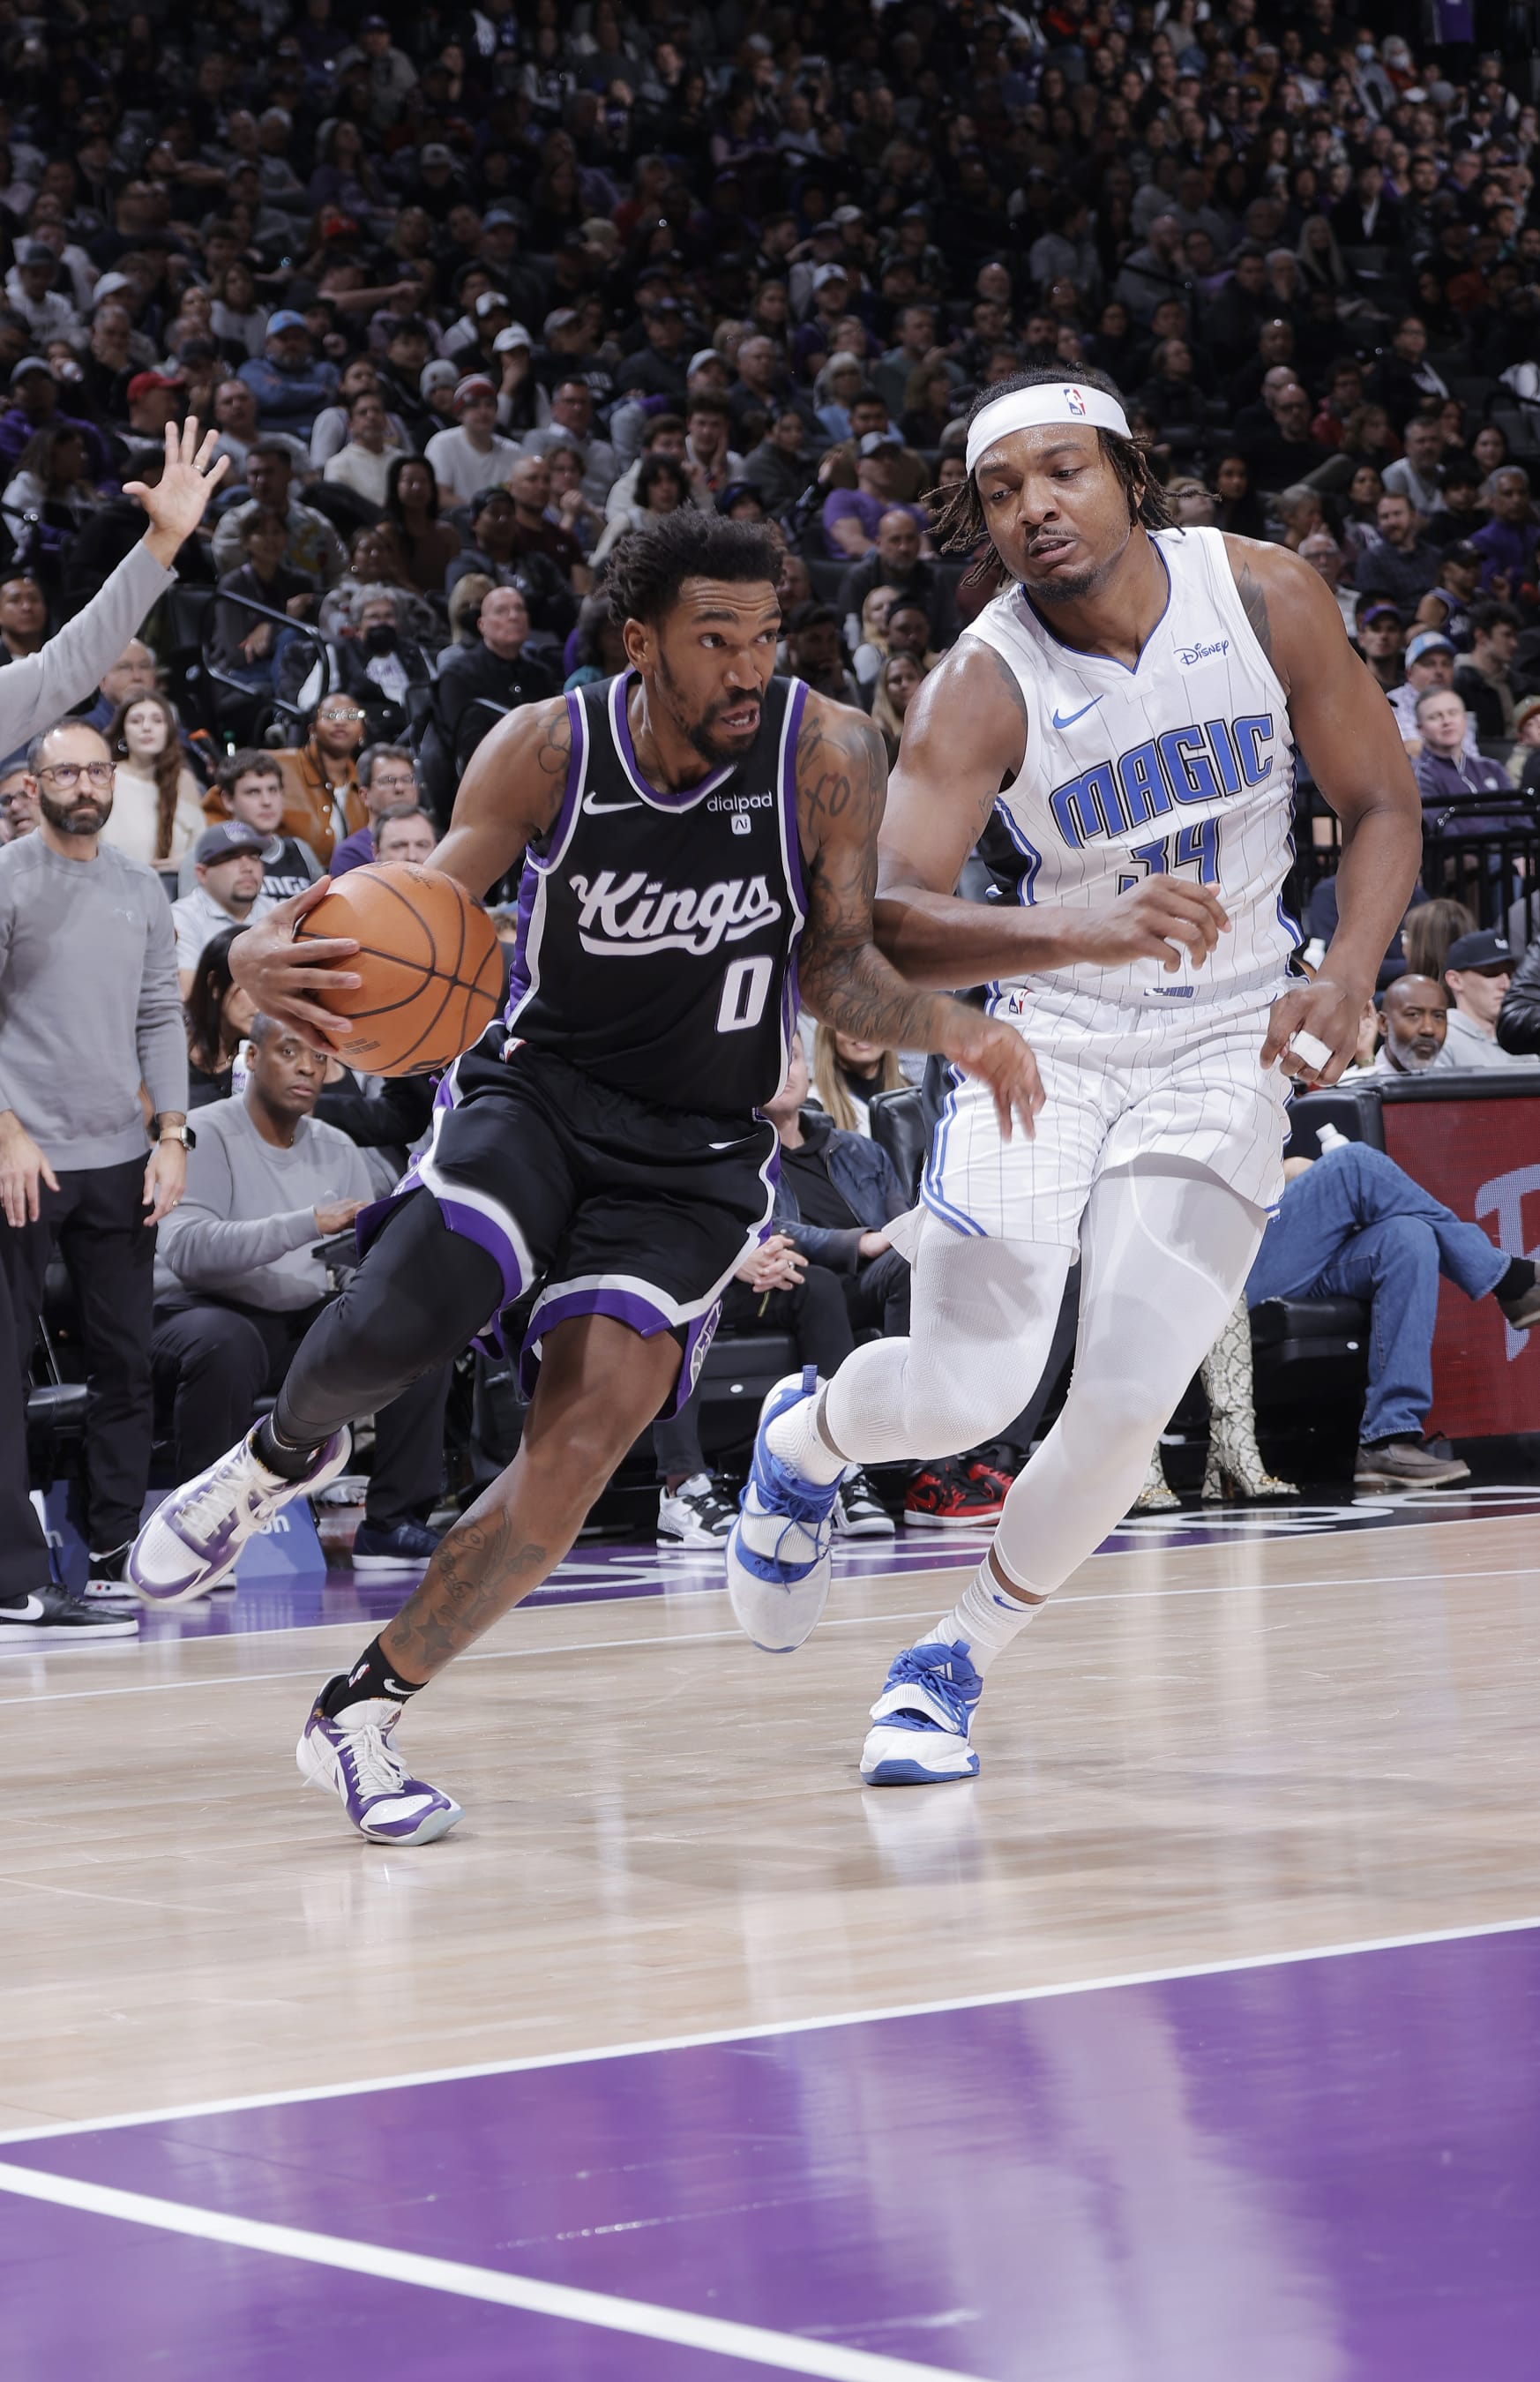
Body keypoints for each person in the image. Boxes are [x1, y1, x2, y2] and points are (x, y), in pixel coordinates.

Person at [128, 507, 1035, 1842]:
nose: (745, 666)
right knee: (400, 1322)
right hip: (536, 1097)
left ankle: (360, 1716)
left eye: (765, 634)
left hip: (697, 1156)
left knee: (576, 1449)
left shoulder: (827, 748)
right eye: (712, 639)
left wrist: (956, 1022)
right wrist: (260, 949)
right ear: (637, 641)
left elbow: (835, 963)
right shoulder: (547, 746)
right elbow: (414, 919)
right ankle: (278, 1454)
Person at [726, 363, 1421, 1786]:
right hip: (1046, 1035)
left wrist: (1347, 967)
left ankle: (950, 1663)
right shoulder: (979, 684)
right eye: (1000, 492)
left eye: (1062, 473)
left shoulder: (1264, 593)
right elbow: (883, 925)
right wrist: (1077, 926)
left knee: (1124, 1391)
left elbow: (1378, 802)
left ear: (1124, 470)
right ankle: (809, 1436)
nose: (1034, 508)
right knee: (974, 1387)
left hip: (1229, 1033)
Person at [0, 716, 188, 1629]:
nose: (85, 784)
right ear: (33, 787)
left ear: (116, 781)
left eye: (97, 769)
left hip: (122, 1155)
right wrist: (5, 1130)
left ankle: (110, 1555)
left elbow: (160, 1013)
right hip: (20, 1160)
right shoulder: (6, 880)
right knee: (5, 1369)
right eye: (65, 771)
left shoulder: (142, 888)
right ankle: (12, 1576)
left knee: (126, 1363)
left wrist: (174, 1134)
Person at [151, 1014, 448, 1573]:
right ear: (251, 1059)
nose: (308, 1068)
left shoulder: (337, 1145)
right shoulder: (200, 1130)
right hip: (194, 1315)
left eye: (318, 1058)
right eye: (290, 1052)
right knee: (226, 1341)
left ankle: (392, 1525)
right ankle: (201, 1529)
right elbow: (187, 1251)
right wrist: (308, 1222)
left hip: (292, 1320)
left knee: (417, 1337)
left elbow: (363, 1259)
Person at [1245, 1140, 1540, 1487]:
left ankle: (1387, 1438)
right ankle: (1509, 1279)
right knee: (1353, 1164)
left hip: (1276, 1240)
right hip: (1227, 1270)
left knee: (1408, 1238)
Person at [171, 821, 274, 992]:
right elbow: (188, 991)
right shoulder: (180, 918)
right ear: (202, 873)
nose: (247, 867)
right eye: (231, 858)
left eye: (254, 857)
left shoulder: (277, 912)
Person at [273, 692, 368, 863]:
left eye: (351, 716)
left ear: (362, 732)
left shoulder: (369, 781)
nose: (340, 722)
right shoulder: (277, 766)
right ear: (312, 729)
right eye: (330, 715)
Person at [184, 922, 256, 1106]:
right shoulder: (168, 1044)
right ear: (215, 985)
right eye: (251, 987)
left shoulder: (261, 1054)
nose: (263, 1002)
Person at [1440, 930, 1535, 1070]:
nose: (1506, 985)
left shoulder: (1524, 1034)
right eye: (1491, 973)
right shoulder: (1443, 1038)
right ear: (1455, 980)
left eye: (1510, 973)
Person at [329, 745, 422, 875]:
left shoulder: (437, 843)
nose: (400, 788)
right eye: (388, 780)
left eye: (407, 779)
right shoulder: (351, 853)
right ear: (364, 795)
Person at [1372, 973, 1454, 1075]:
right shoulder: (1352, 1086)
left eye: (1438, 1016)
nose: (1428, 1029)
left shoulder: (1455, 1085)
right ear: (1383, 1024)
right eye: (1413, 1015)